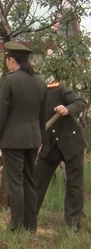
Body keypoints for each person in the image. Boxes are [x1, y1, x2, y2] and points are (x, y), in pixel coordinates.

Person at [0, 41, 47, 232]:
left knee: (15, 183)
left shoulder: (9, 80)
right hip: (33, 138)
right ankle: (31, 225)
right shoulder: (40, 81)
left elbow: (1, 113)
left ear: (11, 60)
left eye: (7, 60)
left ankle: (16, 226)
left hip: (13, 139)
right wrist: (41, 139)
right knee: (29, 181)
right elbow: (42, 114)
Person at [35, 82, 88, 231]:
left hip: (71, 142)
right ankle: (29, 216)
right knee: (37, 180)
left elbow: (80, 102)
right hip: (50, 145)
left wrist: (67, 109)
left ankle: (72, 223)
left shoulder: (57, 89)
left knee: (74, 183)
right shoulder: (29, 96)